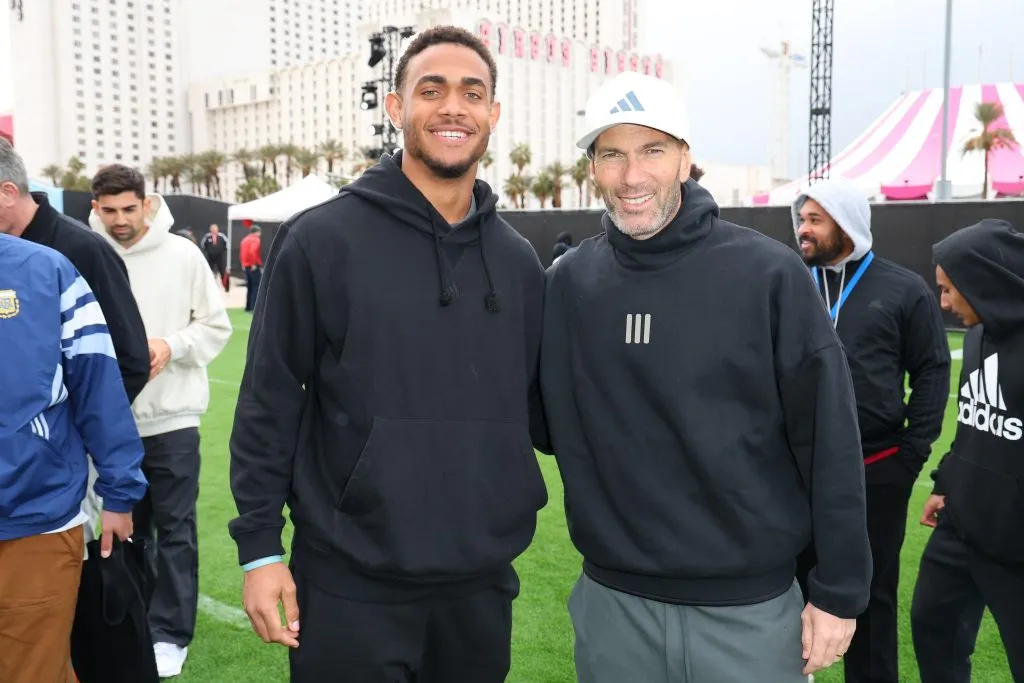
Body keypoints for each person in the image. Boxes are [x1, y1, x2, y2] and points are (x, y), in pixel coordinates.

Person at [227, 25, 548, 683]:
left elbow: (542, 408)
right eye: (431, 90)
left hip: (479, 587)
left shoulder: (517, 263)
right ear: (398, 108)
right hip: (349, 582)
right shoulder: (321, 241)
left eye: (472, 92)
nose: (452, 107)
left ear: (493, 113)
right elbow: (270, 399)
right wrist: (259, 549)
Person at [540, 70, 871, 683]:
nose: (632, 175)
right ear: (592, 167)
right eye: (611, 153)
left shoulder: (769, 275)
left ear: (686, 159)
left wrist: (840, 589)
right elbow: (541, 422)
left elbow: (828, 438)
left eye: (652, 150)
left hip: (749, 612)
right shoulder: (569, 284)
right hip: (613, 606)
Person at [792, 179, 950, 683]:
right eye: (802, 219)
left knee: (872, 597)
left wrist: (911, 458)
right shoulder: (790, 283)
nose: (803, 229)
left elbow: (932, 372)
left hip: (876, 471)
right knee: (788, 593)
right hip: (796, 472)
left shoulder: (904, 289)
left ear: (846, 224)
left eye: (816, 220)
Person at [89, 164, 232, 678]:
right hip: (107, 423)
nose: (121, 220)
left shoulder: (183, 254)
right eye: (110, 211)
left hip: (173, 419)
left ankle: (170, 633)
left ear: (147, 204)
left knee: (175, 527)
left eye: (130, 208)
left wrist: (171, 346)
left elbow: (215, 327)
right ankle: (135, 624)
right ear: (95, 208)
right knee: (123, 530)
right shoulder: (85, 253)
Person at [0, 233, 147, 683]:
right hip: (37, 509)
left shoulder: (47, 271)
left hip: (35, 516)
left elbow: (96, 381)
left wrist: (120, 492)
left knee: (32, 671)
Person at [0, 138, 150, 543]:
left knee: (100, 578)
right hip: (21, 473)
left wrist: (63, 434)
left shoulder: (81, 249)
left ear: (8, 192)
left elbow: (130, 360)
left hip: (68, 465)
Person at [911, 219, 1024, 683]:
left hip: (1015, 544)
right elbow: (973, 424)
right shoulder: (977, 336)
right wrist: (945, 482)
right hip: (960, 525)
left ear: (983, 282)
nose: (944, 303)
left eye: (948, 290)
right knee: (931, 626)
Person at [238, 224, 263, 312]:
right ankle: (254, 307)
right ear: (257, 232)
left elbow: (241, 253)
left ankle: (248, 306)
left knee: (249, 286)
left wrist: (243, 264)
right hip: (253, 266)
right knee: (256, 286)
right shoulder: (255, 240)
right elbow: (253, 252)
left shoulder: (244, 240)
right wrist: (254, 263)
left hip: (246, 265)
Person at [200, 224, 229, 290]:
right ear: (210, 229)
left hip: (220, 257)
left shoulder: (221, 236)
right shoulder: (207, 236)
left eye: (215, 229)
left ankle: (226, 287)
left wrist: (221, 251)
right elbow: (203, 245)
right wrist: (209, 251)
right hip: (210, 257)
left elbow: (227, 244)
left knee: (222, 271)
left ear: (217, 229)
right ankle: (208, 287)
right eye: (212, 229)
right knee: (209, 271)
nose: (214, 230)